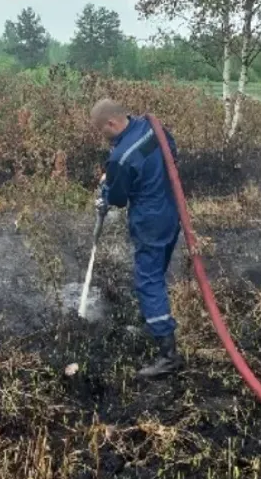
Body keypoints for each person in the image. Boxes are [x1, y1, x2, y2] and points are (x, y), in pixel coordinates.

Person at [90, 98, 183, 377]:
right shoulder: (154, 128)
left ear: (111, 123)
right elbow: (172, 154)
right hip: (171, 211)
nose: (102, 136)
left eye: (101, 131)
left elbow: (118, 198)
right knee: (157, 270)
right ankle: (155, 320)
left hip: (149, 220)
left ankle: (168, 355)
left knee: (148, 281)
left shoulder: (121, 158)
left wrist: (105, 193)